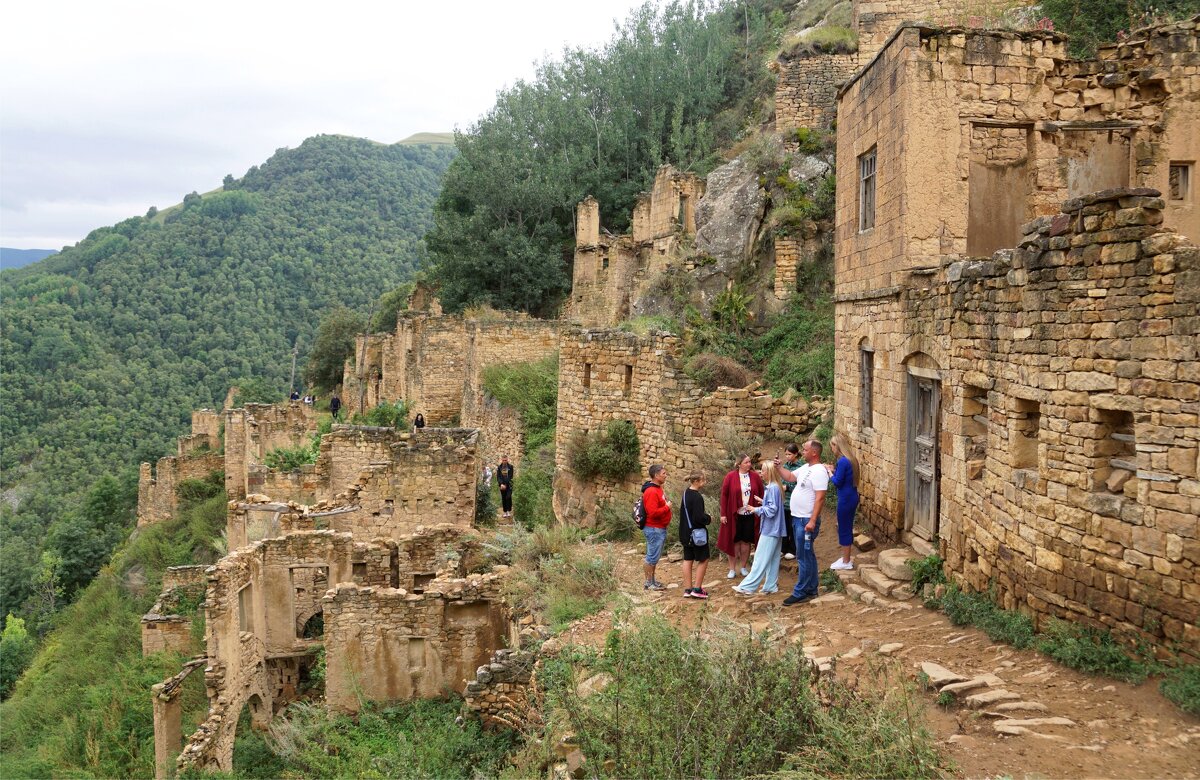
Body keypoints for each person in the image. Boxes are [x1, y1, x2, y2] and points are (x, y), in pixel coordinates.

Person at [783, 439, 829, 606]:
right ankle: (811, 589)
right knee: (807, 555)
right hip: (798, 517)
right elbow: (789, 476)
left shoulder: (819, 471)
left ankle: (801, 591)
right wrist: (778, 467)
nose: (802, 452)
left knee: (803, 556)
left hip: (806, 520)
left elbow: (820, 497)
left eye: (805, 449)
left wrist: (812, 520)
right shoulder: (806, 467)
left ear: (814, 453)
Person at [734, 461, 788, 596]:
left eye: (763, 471)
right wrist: (763, 501)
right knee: (772, 559)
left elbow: (772, 510)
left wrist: (755, 509)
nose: (761, 473)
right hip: (776, 529)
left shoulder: (773, 488)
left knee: (760, 558)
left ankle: (748, 586)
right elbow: (773, 506)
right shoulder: (775, 487)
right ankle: (770, 585)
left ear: (769, 472)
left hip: (770, 529)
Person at [718, 454, 764, 581]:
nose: (749, 464)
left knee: (746, 541)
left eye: (750, 462)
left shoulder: (754, 476)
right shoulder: (730, 477)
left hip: (750, 514)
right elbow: (724, 495)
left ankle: (743, 567)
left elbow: (761, 492)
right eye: (746, 462)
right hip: (734, 514)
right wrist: (723, 514)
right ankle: (732, 568)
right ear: (739, 464)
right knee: (734, 540)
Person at [826, 433, 861, 571]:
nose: (832, 450)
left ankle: (846, 561)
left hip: (845, 499)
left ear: (837, 446)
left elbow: (837, 482)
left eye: (832, 447)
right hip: (852, 496)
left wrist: (829, 472)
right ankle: (846, 557)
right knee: (847, 526)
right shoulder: (851, 459)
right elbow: (846, 476)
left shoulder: (842, 461)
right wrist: (835, 470)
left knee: (844, 528)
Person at [679, 471, 711, 599]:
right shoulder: (697, 497)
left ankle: (688, 589)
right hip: (697, 534)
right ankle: (697, 588)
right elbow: (699, 517)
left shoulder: (686, 493)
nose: (705, 482)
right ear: (696, 481)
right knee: (704, 558)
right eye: (703, 480)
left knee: (688, 559)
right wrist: (708, 518)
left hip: (686, 532)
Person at [641, 464, 672, 591]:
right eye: (663, 473)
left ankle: (652, 581)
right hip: (654, 529)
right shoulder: (651, 491)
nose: (666, 475)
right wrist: (667, 507)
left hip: (658, 528)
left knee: (653, 556)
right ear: (656, 475)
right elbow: (652, 512)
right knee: (651, 557)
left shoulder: (657, 488)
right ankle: (649, 583)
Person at [777, 443, 802, 561]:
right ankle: (783, 548)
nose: (787, 456)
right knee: (784, 526)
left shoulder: (801, 467)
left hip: (795, 503)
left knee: (793, 527)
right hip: (784, 502)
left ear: (796, 454)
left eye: (789, 454)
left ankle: (793, 549)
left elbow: (801, 485)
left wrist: (787, 487)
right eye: (786, 454)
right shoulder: (785, 466)